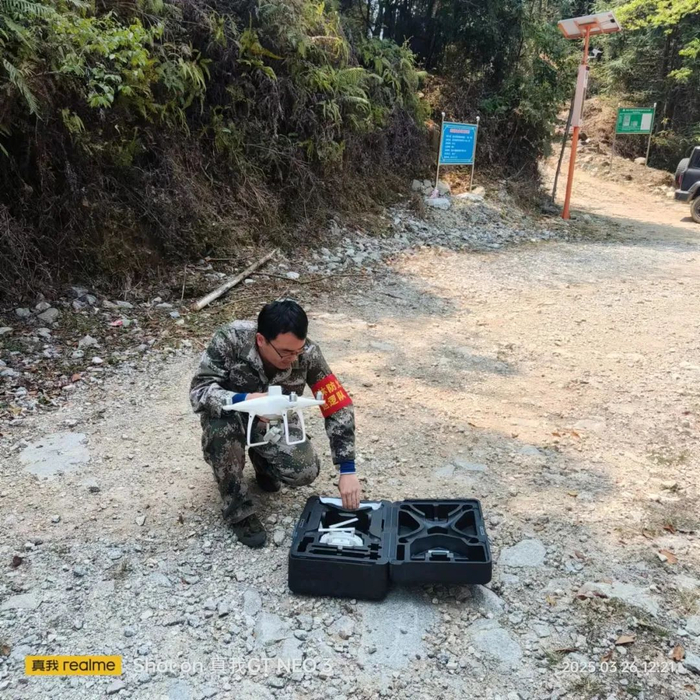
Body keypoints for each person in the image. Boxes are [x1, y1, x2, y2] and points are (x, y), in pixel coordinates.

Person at [189, 299, 362, 547]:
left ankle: (263, 463)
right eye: (285, 352)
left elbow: (337, 404)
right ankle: (238, 510)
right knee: (221, 434)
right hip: (230, 415)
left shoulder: (307, 353)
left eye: (297, 351)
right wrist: (243, 399)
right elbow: (199, 390)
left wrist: (347, 469)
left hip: (273, 421)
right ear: (261, 340)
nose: (292, 359)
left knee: (305, 470)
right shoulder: (231, 339)